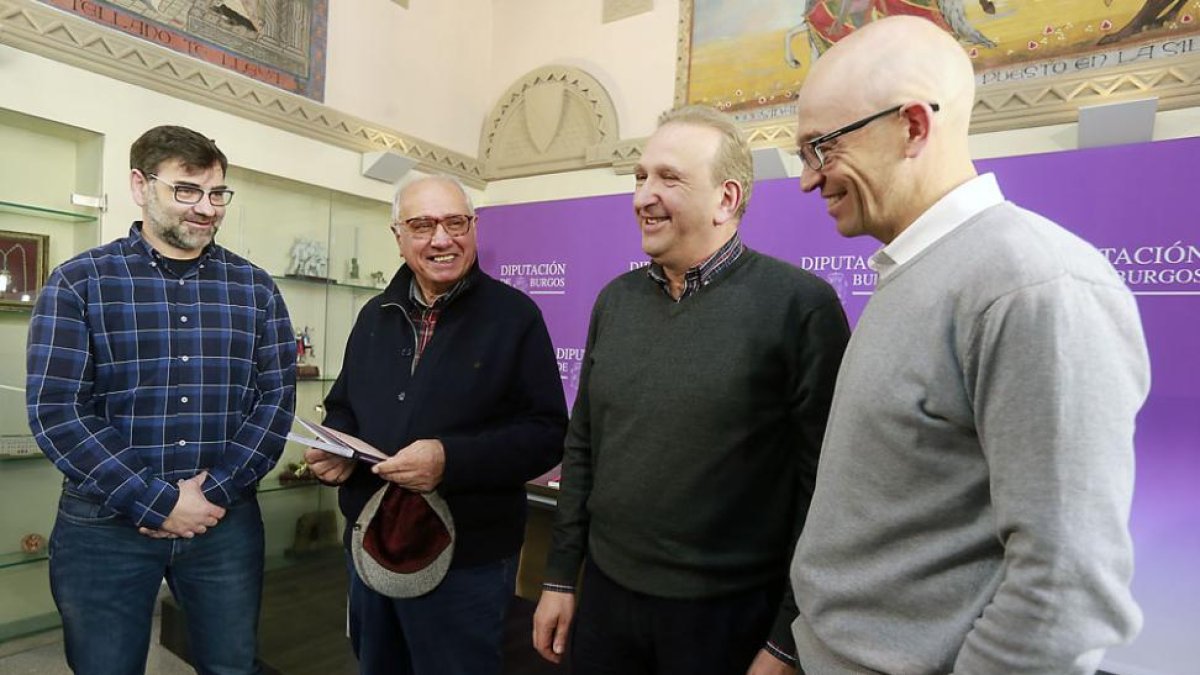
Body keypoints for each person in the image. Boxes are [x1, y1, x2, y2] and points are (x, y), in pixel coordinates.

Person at [788, 16, 1149, 674]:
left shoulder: (1032, 283)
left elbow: (1065, 590)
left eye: (823, 148)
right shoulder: (915, 273)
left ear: (914, 126)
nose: (810, 179)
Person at [532, 105, 851, 675]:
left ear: (727, 198)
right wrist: (559, 576)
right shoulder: (614, 301)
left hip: (724, 621)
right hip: (607, 603)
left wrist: (786, 638)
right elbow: (583, 446)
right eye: (640, 176)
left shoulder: (801, 307)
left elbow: (824, 491)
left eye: (669, 178)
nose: (642, 196)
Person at [26, 125, 297, 674]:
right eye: (186, 190)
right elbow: (57, 411)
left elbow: (275, 404)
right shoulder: (80, 282)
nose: (206, 209)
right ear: (139, 185)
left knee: (231, 666)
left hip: (224, 520)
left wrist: (211, 492)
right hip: (104, 523)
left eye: (217, 193)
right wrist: (159, 502)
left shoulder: (256, 288)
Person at [304, 175, 568, 675]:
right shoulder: (373, 315)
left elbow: (547, 432)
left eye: (455, 222)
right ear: (398, 236)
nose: (441, 239)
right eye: (423, 225)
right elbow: (343, 405)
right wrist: (334, 443)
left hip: (467, 559)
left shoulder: (515, 317)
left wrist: (450, 460)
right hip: (371, 545)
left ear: (473, 227)